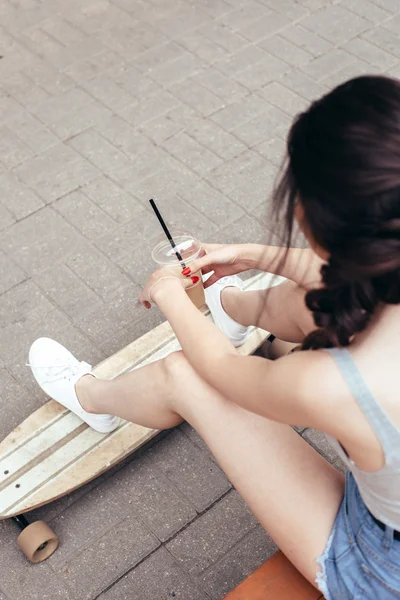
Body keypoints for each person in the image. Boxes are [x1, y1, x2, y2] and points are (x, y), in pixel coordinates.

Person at [28, 75, 400, 599]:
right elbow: (348, 279)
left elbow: (223, 370)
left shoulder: (331, 383)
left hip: (379, 567)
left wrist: (170, 296)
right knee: (312, 302)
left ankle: (94, 400)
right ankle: (230, 304)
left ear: (313, 219)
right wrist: (252, 255)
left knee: (185, 374)